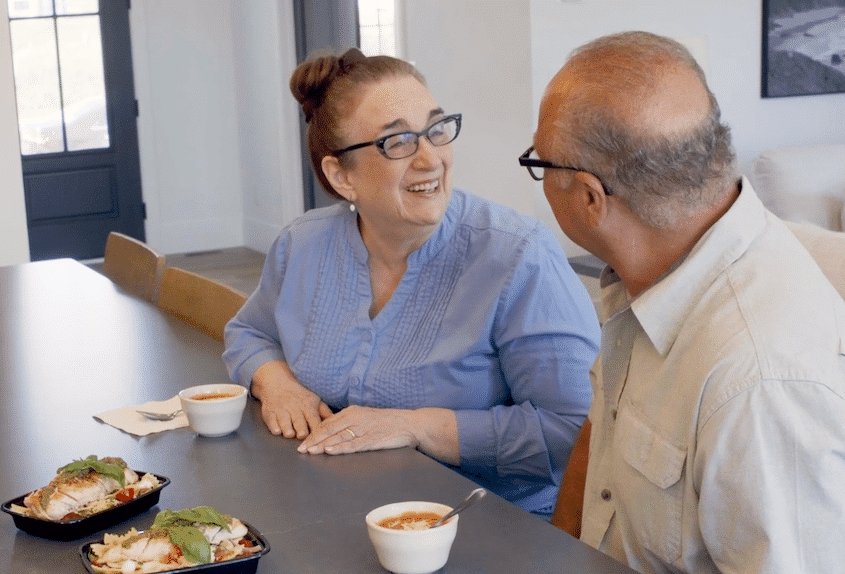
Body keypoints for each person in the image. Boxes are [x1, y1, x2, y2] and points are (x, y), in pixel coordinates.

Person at [223, 48, 601, 517]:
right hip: (339, 503)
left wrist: (418, 426)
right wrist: (277, 383)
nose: (431, 159)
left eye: (436, 130)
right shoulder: (303, 244)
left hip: (489, 524)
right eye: (398, 141)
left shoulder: (518, 255)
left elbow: (574, 430)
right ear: (341, 176)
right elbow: (249, 332)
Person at [524, 31, 845, 573]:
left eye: (539, 161)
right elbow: (601, 431)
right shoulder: (654, 270)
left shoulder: (757, 384)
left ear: (587, 197)